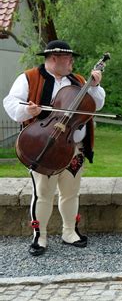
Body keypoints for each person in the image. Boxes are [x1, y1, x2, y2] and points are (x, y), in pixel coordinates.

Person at [3, 40, 106, 256]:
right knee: (43, 194)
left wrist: (94, 86)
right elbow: (11, 103)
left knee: (71, 193)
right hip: (43, 145)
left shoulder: (78, 81)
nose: (72, 62)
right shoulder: (29, 77)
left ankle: (70, 232)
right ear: (53, 58)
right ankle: (40, 237)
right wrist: (27, 111)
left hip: (72, 147)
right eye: (68, 58)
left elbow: (95, 105)